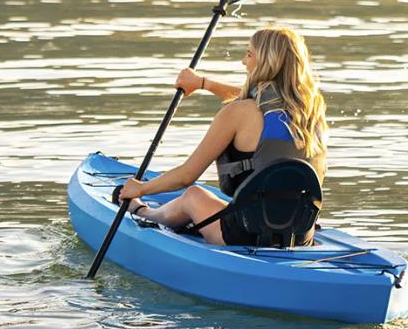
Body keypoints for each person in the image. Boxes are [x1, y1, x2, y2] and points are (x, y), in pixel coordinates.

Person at [116, 25, 326, 245]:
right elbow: (254, 100)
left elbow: (186, 176)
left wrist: (140, 188)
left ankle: (144, 212)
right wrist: (203, 84)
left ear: (266, 62)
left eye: (249, 54)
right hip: (301, 235)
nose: (243, 62)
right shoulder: (311, 114)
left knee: (194, 195)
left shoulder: (237, 113)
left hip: (245, 234)